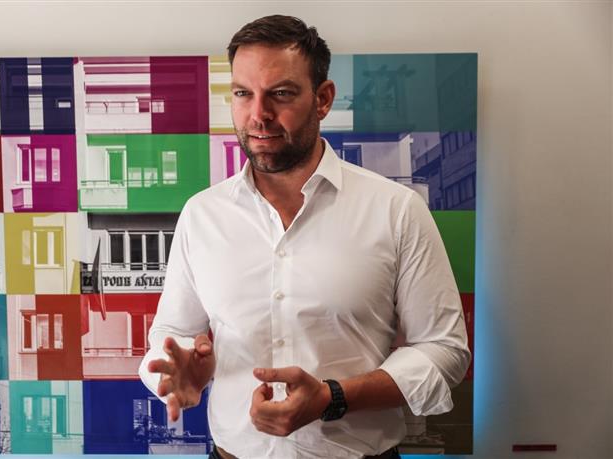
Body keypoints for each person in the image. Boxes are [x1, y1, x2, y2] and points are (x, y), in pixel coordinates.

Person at [139, 15, 470, 459]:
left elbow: (444, 350)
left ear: (323, 99)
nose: (258, 114)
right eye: (243, 93)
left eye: (280, 93)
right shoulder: (202, 214)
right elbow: (173, 332)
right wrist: (174, 371)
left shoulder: (396, 209)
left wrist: (334, 397)